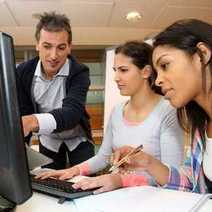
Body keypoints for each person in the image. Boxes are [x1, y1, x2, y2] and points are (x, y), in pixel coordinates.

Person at [37, 41, 183, 194]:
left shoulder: (168, 111)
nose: (116, 77)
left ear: (146, 72)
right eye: (115, 70)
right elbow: (103, 157)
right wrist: (72, 171)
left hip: (150, 200)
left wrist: (121, 181)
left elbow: (172, 178)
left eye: (123, 70)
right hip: (116, 196)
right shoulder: (118, 111)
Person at [110, 19, 212, 193]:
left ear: (202, 54)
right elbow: (192, 183)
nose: (157, 80)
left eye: (165, 65)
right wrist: (147, 162)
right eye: (157, 72)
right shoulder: (201, 128)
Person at [16, 11, 94, 170]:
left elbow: (72, 112)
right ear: (37, 44)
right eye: (47, 46)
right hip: (48, 139)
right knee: (50, 181)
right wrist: (20, 151)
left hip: (77, 137)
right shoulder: (23, 72)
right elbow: (24, 112)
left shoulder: (79, 72)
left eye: (61, 47)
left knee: (85, 181)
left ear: (69, 48)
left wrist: (33, 121)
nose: (53, 55)